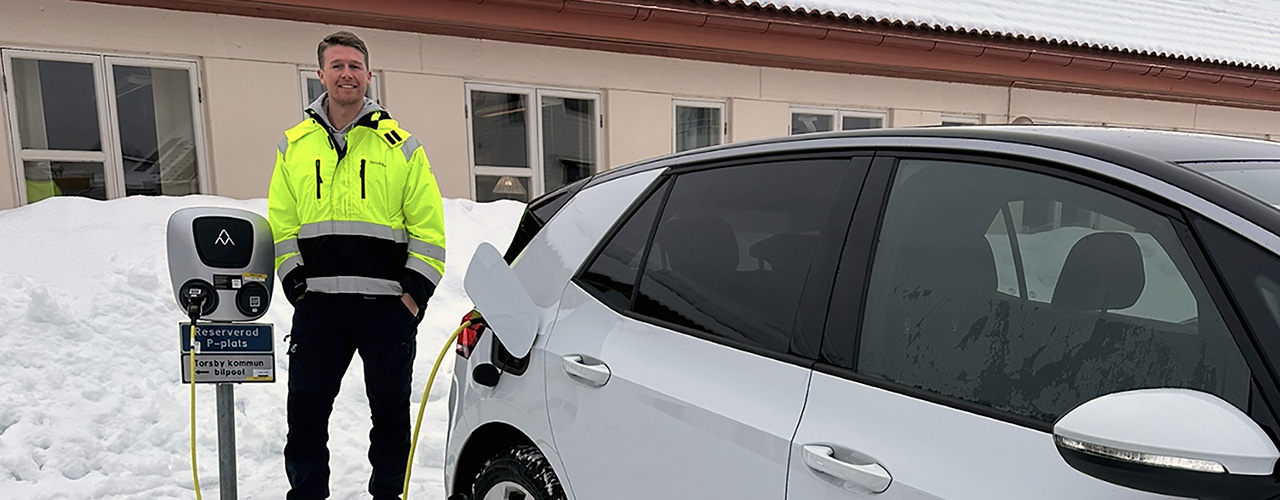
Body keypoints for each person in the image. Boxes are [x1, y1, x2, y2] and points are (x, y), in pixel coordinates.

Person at [268, 30, 446, 500]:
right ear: (320, 74)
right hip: (319, 307)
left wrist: (411, 297)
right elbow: (281, 224)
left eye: (355, 66)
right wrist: (295, 285)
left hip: (386, 309)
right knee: (305, 413)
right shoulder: (294, 146)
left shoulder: (401, 146)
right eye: (337, 65)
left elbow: (429, 232)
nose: (346, 74)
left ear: (368, 75)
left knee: (389, 416)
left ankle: (388, 495)